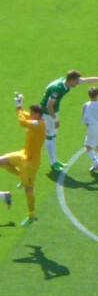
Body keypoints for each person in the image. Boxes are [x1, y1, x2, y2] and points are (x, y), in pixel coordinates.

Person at [40, 69, 98, 171]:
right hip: (47, 113)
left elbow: (87, 80)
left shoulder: (67, 82)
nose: (78, 83)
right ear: (71, 80)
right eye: (76, 81)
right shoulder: (57, 89)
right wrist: (56, 119)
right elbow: (49, 106)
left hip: (54, 110)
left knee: (53, 135)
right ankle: (53, 162)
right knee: (50, 136)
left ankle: (55, 160)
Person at [0, 96, 47, 226]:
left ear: (38, 114)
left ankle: (32, 215)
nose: (30, 115)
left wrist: (18, 106)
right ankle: (21, 176)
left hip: (31, 163)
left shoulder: (39, 124)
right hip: (24, 155)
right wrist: (19, 106)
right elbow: (23, 115)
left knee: (28, 189)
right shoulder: (34, 120)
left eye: (32, 113)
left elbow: (22, 121)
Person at [80, 87, 98, 175]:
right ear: (97, 95)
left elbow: (84, 120)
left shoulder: (86, 105)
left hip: (92, 127)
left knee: (88, 146)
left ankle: (96, 161)